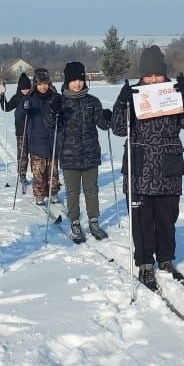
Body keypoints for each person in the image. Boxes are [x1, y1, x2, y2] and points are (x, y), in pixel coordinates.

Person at [111, 45, 184, 290]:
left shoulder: (174, 92)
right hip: (139, 167)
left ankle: (165, 259)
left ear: (164, 74)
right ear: (142, 75)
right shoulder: (133, 95)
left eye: (157, 75)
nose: (153, 80)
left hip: (168, 167)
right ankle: (144, 263)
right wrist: (122, 102)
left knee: (166, 218)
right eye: (148, 75)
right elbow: (119, 129)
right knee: (141, 220)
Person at [48, 62, 111, 243]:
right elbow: (49, 125)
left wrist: (108, 117)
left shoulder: (93, 102)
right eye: (73, 80)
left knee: (92, 190)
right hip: (69, 155)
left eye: (80, 80)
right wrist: (53, 111)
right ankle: (74, 222)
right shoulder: (60, 102)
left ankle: (93, 220)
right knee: (72, 191)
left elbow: (103, 125)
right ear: (67, 81)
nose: (77, 84)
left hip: (90, 153)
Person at [14, 70, 61, 206]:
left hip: (53, 140)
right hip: (36, 141)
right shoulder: (30, 98)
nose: (43, 87)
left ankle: (53, 192)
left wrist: (58, 109)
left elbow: (63, 115)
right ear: (35, 84)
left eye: (45, 83)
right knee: (39, 172)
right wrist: (24, 107)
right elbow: (18, 116)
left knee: (53, 171)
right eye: (40, 84)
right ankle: (39, 194)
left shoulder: (55, 97)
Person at [0, 71, 36, 186]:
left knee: (35, 154)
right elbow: (6, 108)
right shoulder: (17, 98)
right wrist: (2, 95)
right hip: (20, 131)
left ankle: (37, 174)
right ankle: (22, 174)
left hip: (34, 130)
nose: (25, 91)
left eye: (27, 88)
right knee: (22, 154)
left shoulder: (33, 97)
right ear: (19, 88)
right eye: (23, 89)